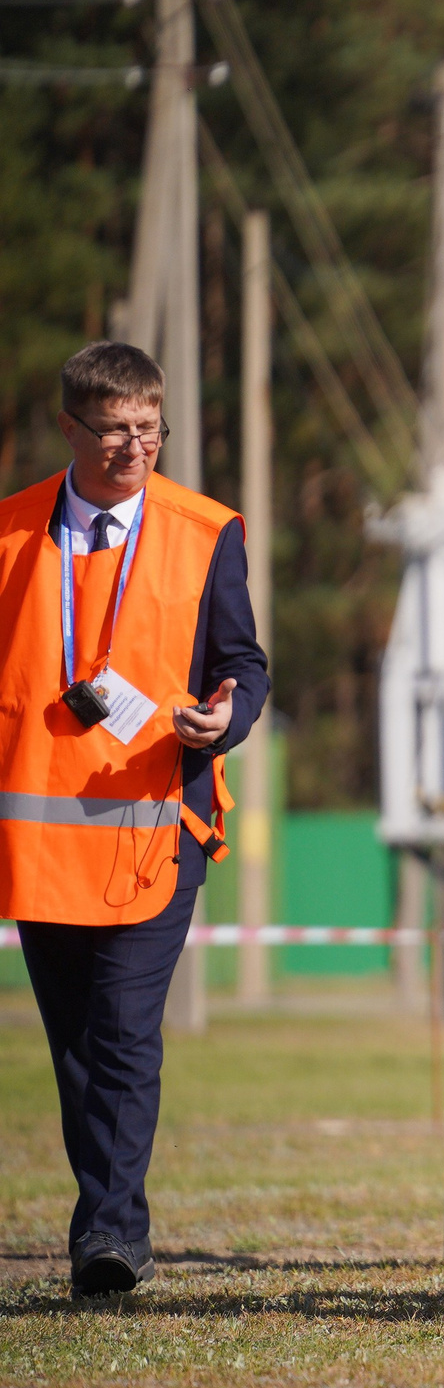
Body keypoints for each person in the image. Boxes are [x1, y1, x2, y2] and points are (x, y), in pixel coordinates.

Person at [0, 342, 269, 1297]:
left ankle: (111, 1235)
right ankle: (104, 1217)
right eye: (114, 429)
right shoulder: (10, 533)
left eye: (148, 429)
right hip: (39, 844)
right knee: (73, 1045)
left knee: (122, 1029)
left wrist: (224, 715)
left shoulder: (207, 532)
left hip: (159, 830)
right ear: (69, 428)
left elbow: (246, 664)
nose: (133, 446)